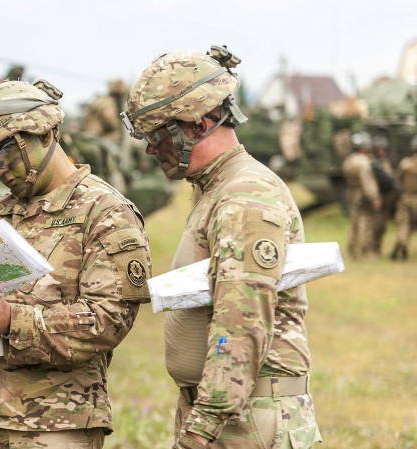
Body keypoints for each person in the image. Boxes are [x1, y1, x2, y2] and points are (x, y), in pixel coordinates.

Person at [0, 79, 152, 448]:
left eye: (5, 154)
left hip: (55, 424)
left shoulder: (105, 212)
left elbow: (109, 320)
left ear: (46, 135)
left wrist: (11, 320)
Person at [121, 46, 321, 449]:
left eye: (158, 134)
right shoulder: (216, 189)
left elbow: (241, 324)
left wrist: (200, 430)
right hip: (230, 414)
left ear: (199, 123)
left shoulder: (244, 195)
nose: (150, 148)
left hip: (244, 418)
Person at [342, 132, 381, 259]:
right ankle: (364, 250)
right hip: (363, 194)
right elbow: (367, 182)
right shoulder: (364, 162)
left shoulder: (349, 160)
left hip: (352, 192)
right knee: (366, 221)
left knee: (354, 220)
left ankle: (351, 247)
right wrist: (374, 197)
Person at [390, 135, 417, 260]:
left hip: (406, 198)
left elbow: (397, 179)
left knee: (404, 225)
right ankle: (402, 249)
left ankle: (401, 247)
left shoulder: (405, 163)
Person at [371, 135, 399, 254]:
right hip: (379, 196)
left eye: (384, 149)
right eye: (379, 149)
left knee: (382, 226)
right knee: (376, 225)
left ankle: (377, 248)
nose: (382, 151)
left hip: (388, 197)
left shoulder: (384, 162)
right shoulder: (373, 163)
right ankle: (372, 248)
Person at [81, 79, 130, 144]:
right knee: (117, 135)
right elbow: (112, 123)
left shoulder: (102, 99)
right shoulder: (107, 103)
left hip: (90, 135)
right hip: (94, 137)